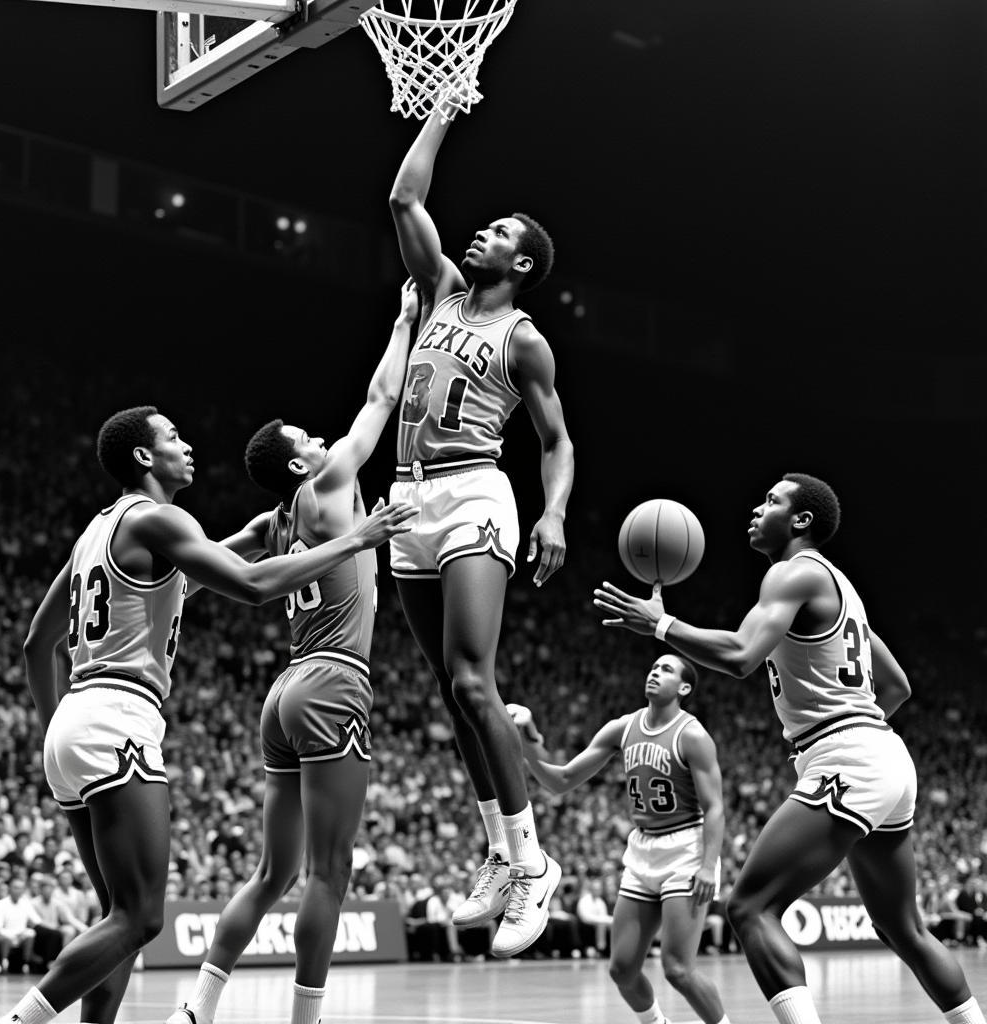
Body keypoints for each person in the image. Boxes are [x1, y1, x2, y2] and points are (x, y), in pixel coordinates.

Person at [0, 405, 415, 1024]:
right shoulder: (161, 518)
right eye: (172, 439)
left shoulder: (97, 534)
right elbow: (249, 584)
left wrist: (55, 724)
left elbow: (37, 644)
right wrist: (358, 538)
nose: (187, 447)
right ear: (144, 458)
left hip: (72, 724)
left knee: (120, 921)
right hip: (119, 715)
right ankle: (20, 1020)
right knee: (140, 919)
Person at [593, 472, 986, 1024]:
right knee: (905, 929)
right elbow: (896, 687)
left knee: (751, 908)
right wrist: (848, 736)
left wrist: (663, 626)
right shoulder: (844, 591)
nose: (756, 509)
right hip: (886, 757)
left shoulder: (791, 573)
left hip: (849, 756)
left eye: (771, 501)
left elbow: (741, 656)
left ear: (800, 521)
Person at [166, 282, 419, 1024]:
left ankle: (199, 1007)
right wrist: (403, 322)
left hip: (283, 695)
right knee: (329, 874)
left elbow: (203, 567)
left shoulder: (273, 521)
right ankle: (305, 1020)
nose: (322, 439)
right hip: (334, 682)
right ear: (305, 466)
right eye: (309, 438)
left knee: (273, 870)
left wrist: (156, 606)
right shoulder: (334, 482)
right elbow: (380, 398)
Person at [387, 96, 575, 959]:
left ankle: (535, 865)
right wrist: (443, 115)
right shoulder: (441, 295)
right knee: (455, 700)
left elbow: (556, 440)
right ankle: (500, 852)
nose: (479, 235)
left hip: (472, 496)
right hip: (406, 500)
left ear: (524, 262)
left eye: (499, 232)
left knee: (472, 681)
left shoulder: (523, 339)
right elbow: (403, 201)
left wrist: (556, 511)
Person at [508, 653, 733, 1024]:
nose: (654, 672)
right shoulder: (622, 728)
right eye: (653, 666)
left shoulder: (692, 735)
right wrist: (528, 737)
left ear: (684, 687)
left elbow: (715, 808)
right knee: (622, 970)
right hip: (643, 848)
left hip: (686, 850)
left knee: (678, 969)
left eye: (666, 670)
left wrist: (709, 865)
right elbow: (559, 781)